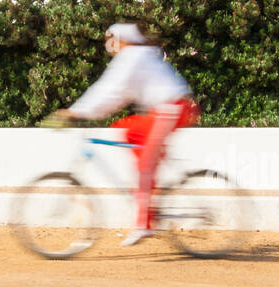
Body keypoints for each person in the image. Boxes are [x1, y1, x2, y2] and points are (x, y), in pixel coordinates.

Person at [54, 22, 199, 247]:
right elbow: (114, 94)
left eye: (111, 38)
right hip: (167, 110)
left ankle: (145, 224)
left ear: (121, 39)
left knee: (145, 167)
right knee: (128, 130)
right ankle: (149, 198)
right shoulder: (135, 56)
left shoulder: (132, 56)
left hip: (172, 108)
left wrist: (76, 112)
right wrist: (82, 111)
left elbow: (110, 91)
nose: (109, 44)